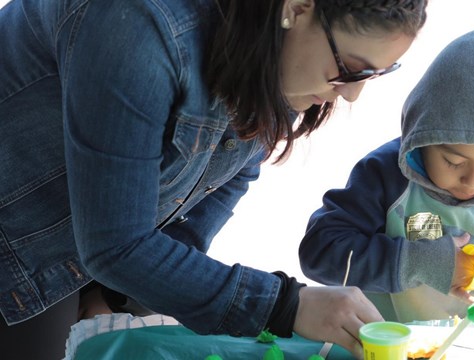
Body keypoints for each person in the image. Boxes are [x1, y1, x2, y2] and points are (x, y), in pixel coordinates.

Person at [0, 0, 428, 358]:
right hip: (17, 237)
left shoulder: (287, 53)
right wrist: (286, 306)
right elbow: (115, 244)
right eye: (350, 69)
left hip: (92, 236)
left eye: (375, 74)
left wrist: (122, 294)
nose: (352, 93)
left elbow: (228, 174)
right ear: (298, 9)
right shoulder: (139, 22)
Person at [299, 25, 474, 323]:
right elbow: (319, 253)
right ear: (421, 141)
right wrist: (419, 262)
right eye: (453, 161)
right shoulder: (386, 175)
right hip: (388, 347)